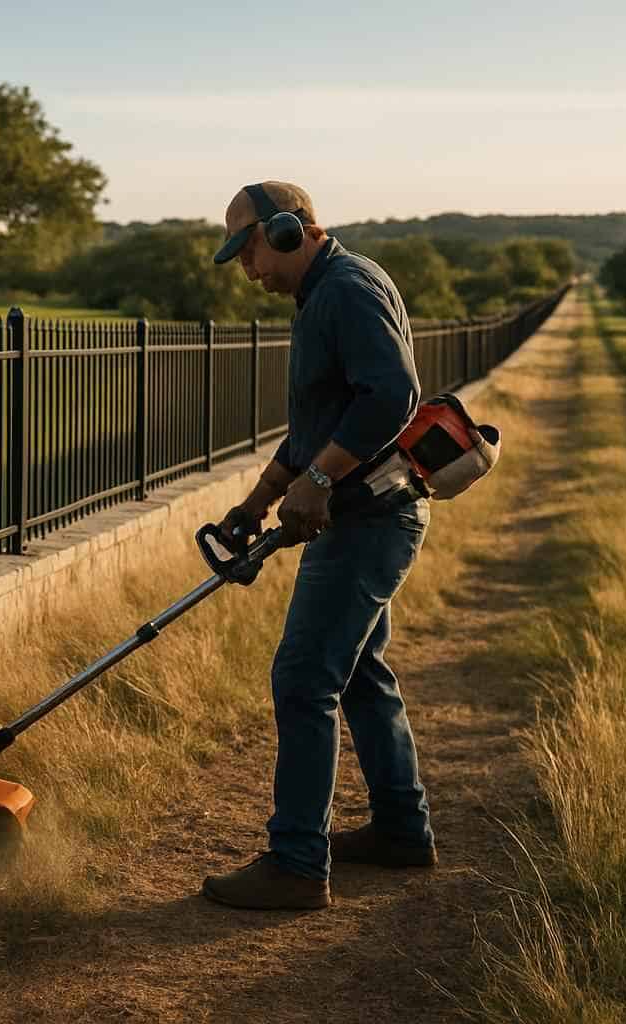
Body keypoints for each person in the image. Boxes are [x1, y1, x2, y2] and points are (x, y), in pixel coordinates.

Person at [199, 181, 437, 912]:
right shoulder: (320, 298)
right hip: (359, 514)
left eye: (249, 254)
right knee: (362, 673)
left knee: (303, 679)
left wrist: (322, 482)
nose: (248, 272)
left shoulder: (348, 288)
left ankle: (298, 863)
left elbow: (392, 393)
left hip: (369, 518)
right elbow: (314, 432)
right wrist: (256, 503)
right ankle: (401, 831)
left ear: (286, 230)